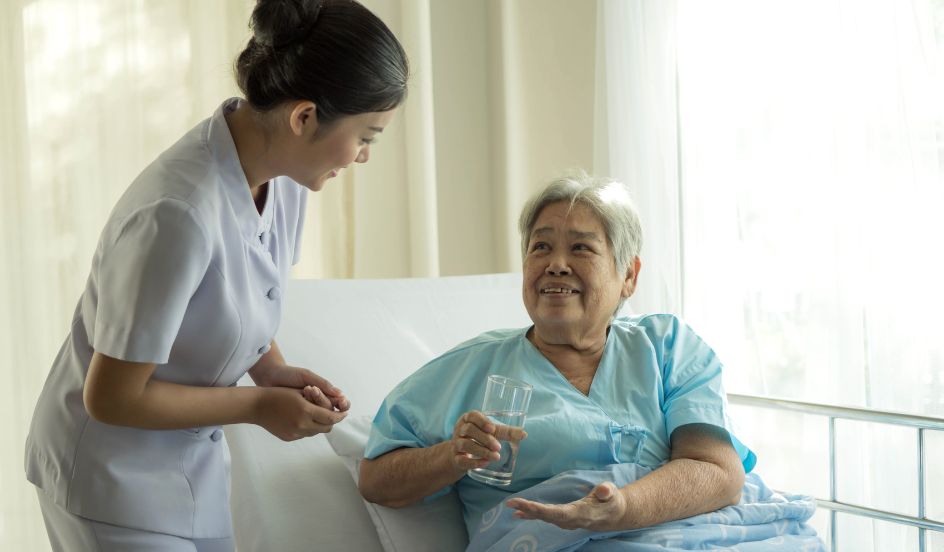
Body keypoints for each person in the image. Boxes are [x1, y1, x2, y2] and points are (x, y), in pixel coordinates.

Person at [25, 1, 408, 550]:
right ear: (303, 117)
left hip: (188, 472)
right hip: (107, 482)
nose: (365, 156)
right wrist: (257, 406)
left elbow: (238, 297)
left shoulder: (284, 178)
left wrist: (271, 371)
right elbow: (109, 397)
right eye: (366, 136)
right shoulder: (177, 214)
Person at [358, 174, 758, 537]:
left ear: (629, 276)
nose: (556, 265)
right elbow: (376, 480)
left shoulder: (669, 348)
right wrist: (452, 455)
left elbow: (717, 470)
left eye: (581, 248)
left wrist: (624, 507)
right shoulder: (471, 368)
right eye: (541, 247)